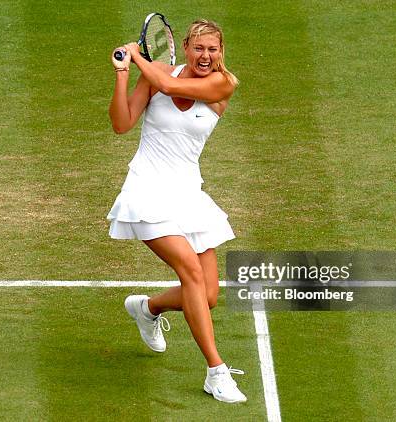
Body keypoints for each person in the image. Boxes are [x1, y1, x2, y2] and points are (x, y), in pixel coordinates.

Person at [107, 19, 246, 404]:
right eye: (199, 48)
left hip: (188, 195)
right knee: (190, 273)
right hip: (146, 190)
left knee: (209, 294)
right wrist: (123, 75)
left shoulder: (222, 84)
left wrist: (135, 56)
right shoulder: (155, 77)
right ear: (184, 47)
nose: (206, 56)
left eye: (213, 49)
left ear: (221, 52)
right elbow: (121, 124)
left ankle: (147, 308)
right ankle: (216, 372)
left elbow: (170, 85)